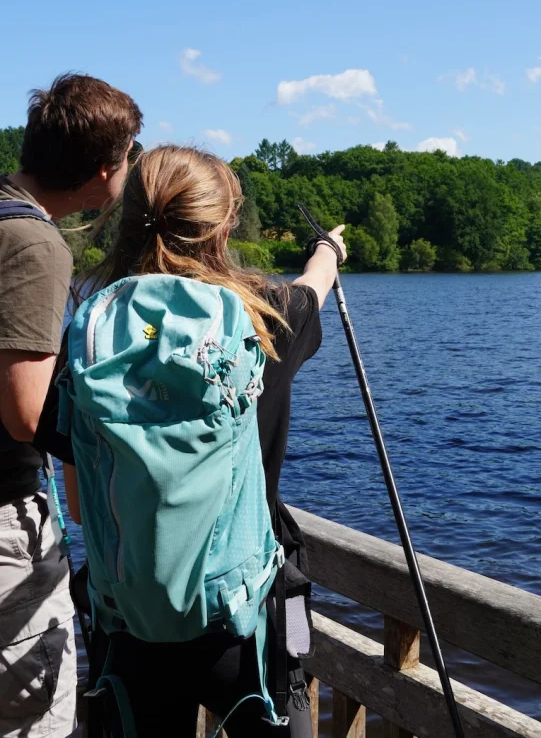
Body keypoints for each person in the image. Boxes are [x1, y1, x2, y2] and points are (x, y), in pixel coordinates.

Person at [62, 144, 346, 738]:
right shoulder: (265, 317)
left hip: (127, 619)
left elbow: (80, 499)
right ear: (222, 227)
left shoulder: (89, 329)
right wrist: (329, 248)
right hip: (240, 623)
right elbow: (315, 284)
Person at [0, 73, 143, 738]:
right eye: (130, 156)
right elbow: (26, 414)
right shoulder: (35, 245)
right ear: (104, 171)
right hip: (5, 515)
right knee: (37, 717)